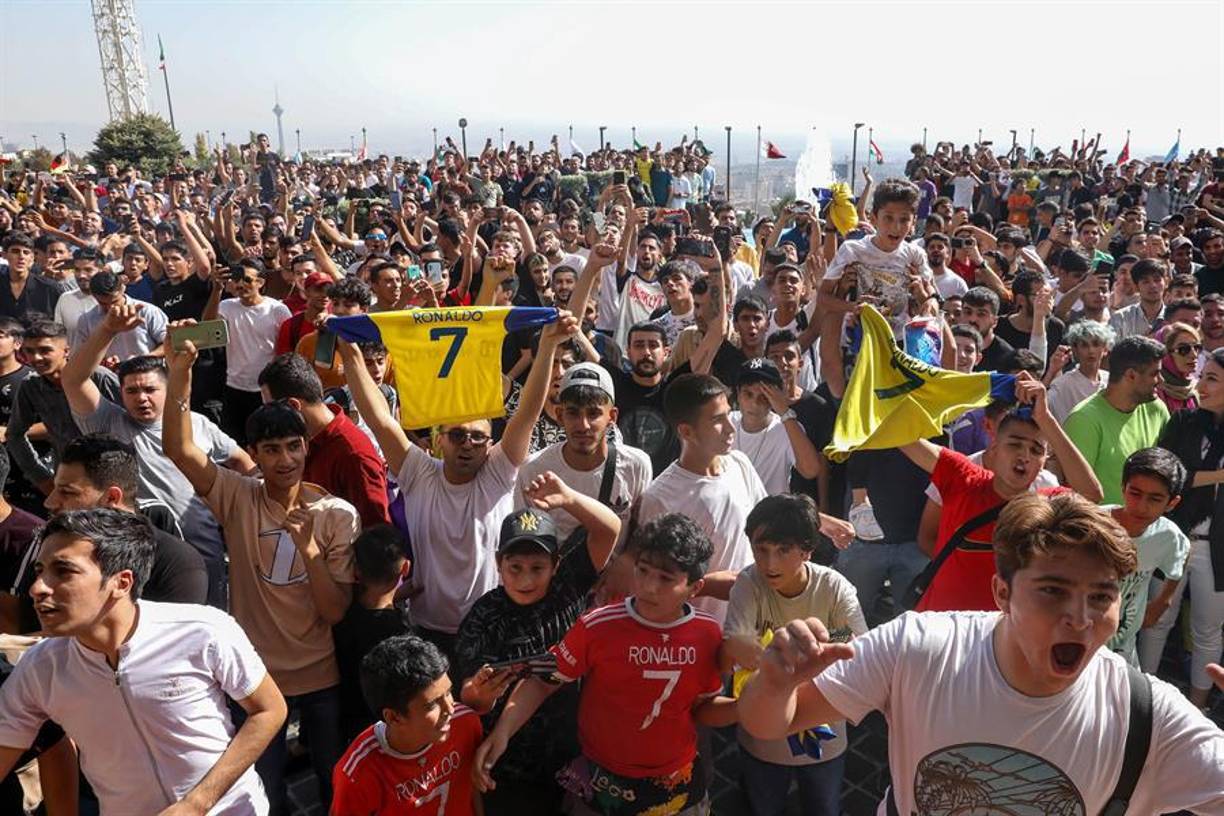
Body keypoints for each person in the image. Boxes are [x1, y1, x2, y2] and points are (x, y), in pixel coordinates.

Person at [738, 492, 1224, 815]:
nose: (1080, 618)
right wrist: (776, 684)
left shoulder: (1147, 715)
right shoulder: (917, 648)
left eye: (1101, 596)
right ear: (1001, 593)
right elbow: (770, 724)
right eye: (1053, 591)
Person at [163, 337, 359, 812]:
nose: (285, 460)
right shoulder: (237, 496)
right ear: (253, 452)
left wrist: (308, 550)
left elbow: (334, 611)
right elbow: (179, 448)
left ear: (306, 447)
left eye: (294, 447)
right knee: (264, 792)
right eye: (271, 450)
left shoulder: (337, 514)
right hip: (256, 679)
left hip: (322, 677)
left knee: (335, 787)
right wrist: (181, 372)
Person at [0, 508, 287, 814]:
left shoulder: (202, 630)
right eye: (39, 571)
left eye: (63, 571)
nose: (37, 588)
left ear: (121, 582)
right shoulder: (39, 669)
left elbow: (269, 710)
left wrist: (196, 803)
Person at [335, 310, 578, 657]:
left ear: (491, 444)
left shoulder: (498, 472)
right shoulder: (419, 472)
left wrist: (549, 346)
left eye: (478, 437)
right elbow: (379, 419)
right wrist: (349, 351)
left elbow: (526, 414)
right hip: (426, 630)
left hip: (490, 629)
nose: (468, 444)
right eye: (458, 435)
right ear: (439, 440)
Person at [473, 514, 735, 816]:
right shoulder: (598, 625)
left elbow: (703, 707)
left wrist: (745, 706)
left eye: (666, 578)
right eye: (643, 570)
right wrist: (503, 731)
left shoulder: (708, 634)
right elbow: (543, 680)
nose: (649, 587)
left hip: (676, 786)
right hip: (601, 783)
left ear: (695, 587)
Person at [62, 305, 253, 608]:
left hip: (203, 548)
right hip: (137, 555)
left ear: (168, 386)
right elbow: (73, 380)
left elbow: (242, 462)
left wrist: (249, 511)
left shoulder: (196, 424)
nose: (142, 398)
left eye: (150, 389)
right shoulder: (108, 423)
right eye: (132, 391)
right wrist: (108, 329)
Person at [455, 481, 620, 814]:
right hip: (508, 762)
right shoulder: (483, 617)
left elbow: (608, 530)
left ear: (556, 564)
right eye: (515, 567)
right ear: (499, 563)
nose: (526, 580)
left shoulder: (568, 587)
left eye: (538, 568)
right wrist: (480, 695)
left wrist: (570, 498)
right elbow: (467, 696)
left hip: (572, 754)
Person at [900, 375, 1103, 612]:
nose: (1024, 456)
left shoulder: (1046, 504)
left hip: (1002, 631)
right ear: (994, 448)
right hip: (940, 626)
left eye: (1036, 450)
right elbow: (902, 435)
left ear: (1044, 461)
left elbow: (1091, 494)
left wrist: (1046, 419)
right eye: (1015, 444)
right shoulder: (963, 478)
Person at [723, 494, 867, 816]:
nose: (769, 564)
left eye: (783, 550)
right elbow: (736, 642)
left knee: (824, 807)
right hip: (761, 736)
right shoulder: (748, 583)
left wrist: (811, 644)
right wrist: (812, 655)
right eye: (761, 549)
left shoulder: (834, 587)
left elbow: (858, 642)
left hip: (825, 731)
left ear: (807, 550)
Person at [1144, 347, 1224, 709]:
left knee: (1207, 630)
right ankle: (1144, 698)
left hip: (1216, 546)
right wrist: (1219, 476)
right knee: (1157, 620)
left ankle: (1197, 707)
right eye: (1202, 376)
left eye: (1212, 379)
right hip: (1173, 536)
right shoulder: (1183, 422)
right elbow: (1168, 476)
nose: (1201, 385)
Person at [332, 635, 484, 815]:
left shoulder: (465, 723)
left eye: (449, 692)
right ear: (394, 717)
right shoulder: (357, 774)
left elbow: (473, 789)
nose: (449, 709)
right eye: (432, 705)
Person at [513, 361, 652, 544]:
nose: (583, 425)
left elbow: (642, 538)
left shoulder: (636, 466)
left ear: (612, 416)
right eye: (573, 413)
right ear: (560, 415)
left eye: (593, 414)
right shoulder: (533, 470)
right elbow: (523, 545)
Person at [257, 352, 391, 527]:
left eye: (272, 409)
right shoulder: (306, 442)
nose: (269, 418)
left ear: (293, 406)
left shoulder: (353, 455)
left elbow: (378, 531)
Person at [5, 318, 120, 496]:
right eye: (29, 351)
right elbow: (14, 434)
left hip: (113, 479)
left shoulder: (99, 378)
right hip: (69, 482)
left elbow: (134, 427)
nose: (36, 358)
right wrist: (41, 478)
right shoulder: (31, 386)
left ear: (66, 351)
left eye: (45, 350)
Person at [1104, 448, 1189, 665]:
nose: (1142, 506)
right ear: (1123, 488)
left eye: (1155, 499)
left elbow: (1179, 560)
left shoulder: (1168, 536)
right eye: (1135, 493)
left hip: (1123, 648)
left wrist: (1163, 602)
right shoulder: (1095, 525)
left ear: (1172, 503)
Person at [1065, 335, 1170, 505]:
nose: (1161, 381)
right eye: (1155, 374)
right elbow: (1078, 495)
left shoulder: (1157, 409)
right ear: (1131, 375)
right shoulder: (1083, 420)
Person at [335, 524, 410, 742]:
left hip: (347, 725)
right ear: (405, 568)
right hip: (385, 732)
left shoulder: (341, 614)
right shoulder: (399, 632)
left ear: (357, 570)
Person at [212, 258, 292, 446]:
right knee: (232, 443)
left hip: (266, 390)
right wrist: (216, 290)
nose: (240, 284)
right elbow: (210, 328)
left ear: (260, 282)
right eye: (237, 279)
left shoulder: (277, 309)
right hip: (234, 387)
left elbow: (288, 347)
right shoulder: (226, 306)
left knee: (266, 441)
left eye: (247, 279)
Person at [729, 358, 822, 496]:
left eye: (764, 396)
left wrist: (784, 411)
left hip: (771, 508)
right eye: (748, 394)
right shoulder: (727, 422)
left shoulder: (787, 428)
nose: (754, 403)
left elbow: (811, 470)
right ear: (738, 393)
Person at [1047, 320, 1114, 423]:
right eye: (1084, 345)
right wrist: (1051, 372)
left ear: (1105, 349)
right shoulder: (1062, 384)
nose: (1091, 350)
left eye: (1096, 344)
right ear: (1075, 350)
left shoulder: (1111, 380)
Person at [1155, 321, 1202, 413]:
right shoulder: (1151, 393)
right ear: (1165, 354)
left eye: (1196, 347)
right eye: (1183, 349)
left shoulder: (1199, 388)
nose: (1194, 355)